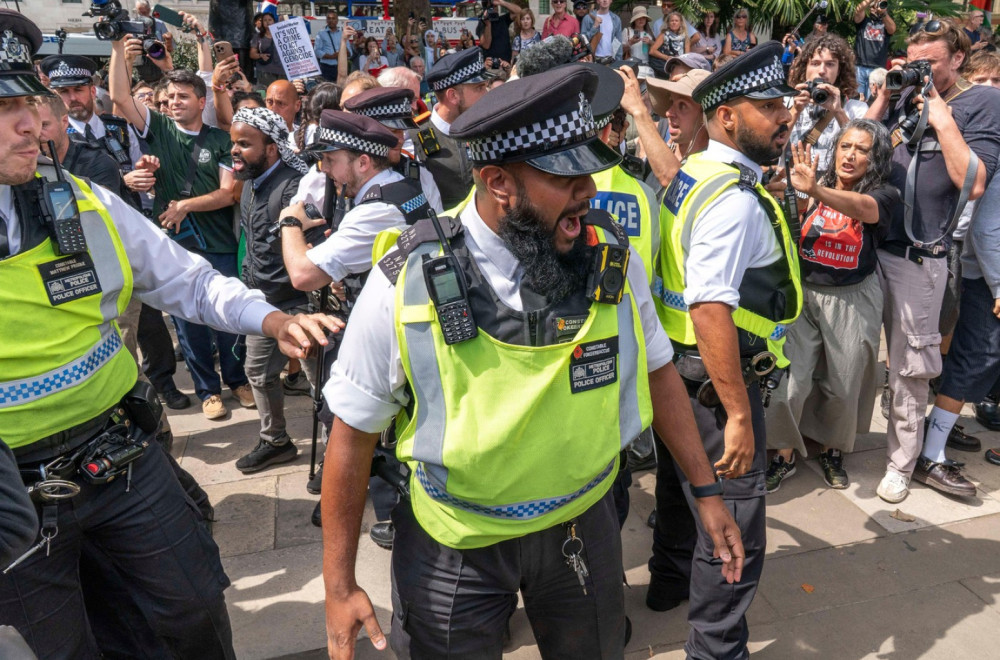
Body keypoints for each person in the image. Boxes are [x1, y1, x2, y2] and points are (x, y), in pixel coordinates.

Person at [319, 62, 744, 660]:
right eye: (566, 179)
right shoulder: (407, 280)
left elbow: (657, 370)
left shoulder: (609, 259)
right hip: (453, 545)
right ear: (498, 182)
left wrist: (706, 491)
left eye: (590, 173)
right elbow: (352, 431)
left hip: (582, 528)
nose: (589, 194)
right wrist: (339, 587)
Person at [0, 11, 339, 658]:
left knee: (188, 610)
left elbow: (188, 281)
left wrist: (271, 319)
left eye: (27, 100)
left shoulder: (78, 202)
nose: (30, 122)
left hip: (118, 458)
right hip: (14, 500)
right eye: (3, 106)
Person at [649, 42, 800, 659]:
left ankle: (665, 584)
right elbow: (709, 306)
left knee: (678, 494)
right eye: (769, 106)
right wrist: (739, 413)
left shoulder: (696, 170)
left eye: (783, 104)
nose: (785, 116)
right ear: (729, 116)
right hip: (716, 392)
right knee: (732, 530)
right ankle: (715, 649)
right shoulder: (732, 199)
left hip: (679, 381)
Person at [865, 20, 1000, 502]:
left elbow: (973, 181)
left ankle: (904, 464)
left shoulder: (983, 102)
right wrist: (884, 97)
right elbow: (859, 149)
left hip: (919, 256)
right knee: (854, 358)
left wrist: (940, 114)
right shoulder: (906, 94)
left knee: (911, 366)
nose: (922, 71)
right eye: (914, 60)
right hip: (871, 241)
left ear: (958, 59)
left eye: (932, 63)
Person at [109, 38, 256, 421]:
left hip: (220, 241)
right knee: (189, 322)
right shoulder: (157, 129)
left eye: (184, 96)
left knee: (227, 314)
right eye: (170, 96)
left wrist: (185, 204)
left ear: (201, 100)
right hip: (176, 245)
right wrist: (116, 49)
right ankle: (208, 391)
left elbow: (228, 194)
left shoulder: (223, 140)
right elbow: (121, 98)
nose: (175, 102)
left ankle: (237, 380)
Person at [764, 122, 897, 493]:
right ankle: (783, 455)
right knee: (790, 381)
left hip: (853, 297)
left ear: (876, 158)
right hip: (803, 295)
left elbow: (865, 209)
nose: (850, 155)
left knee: (844, 384)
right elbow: (775, 193)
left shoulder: (884, 194)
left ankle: (832, 451)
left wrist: (817, 190)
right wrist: (782, 183)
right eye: (845, 146)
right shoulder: (812, 179)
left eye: (862, 149)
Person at [345, 85, 444, 214]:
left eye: (402, 131)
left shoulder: (420, 175)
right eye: (392, 132)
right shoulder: (342, 174)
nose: (400, 139)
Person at [417, 48, 491, 209]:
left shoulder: (487, 129)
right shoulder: (414, 139)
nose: (486, 94)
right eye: (479, 88)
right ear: (453, 96)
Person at [786, 33, 868, 172]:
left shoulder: (856, 108)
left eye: (830, 64)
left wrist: (838, 112)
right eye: (815, 63)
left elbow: (862, 152)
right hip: (791, 185)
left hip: (830, 190)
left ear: (839, 70)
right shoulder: (786, 103)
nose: (822, 71)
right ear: (805, 67)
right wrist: (795, 111)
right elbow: (771, 152)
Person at [853, 0, 896, 100]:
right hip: (860, 67)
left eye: (876, 7)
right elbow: (858, 11)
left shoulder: (885, 23)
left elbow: (892, 29)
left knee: (873, 100)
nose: (875, 9)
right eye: (872, 7)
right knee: (856, 100)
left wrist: (883, 13)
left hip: (877, 68)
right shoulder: (863, 21)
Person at [477, 0, 522, 67]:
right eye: (490, 7)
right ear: (485, 9)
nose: (493, 9)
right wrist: (488, 24)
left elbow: (519, 12)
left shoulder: (503, 20)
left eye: (495, 6)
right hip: (490, 65)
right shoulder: (482, 24)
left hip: (505, 65)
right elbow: (486, 45)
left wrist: (501, 2)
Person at [314, 10, 351, 82]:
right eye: (329, 18)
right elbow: (317, 51)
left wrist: (343, 53)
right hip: (326, 68)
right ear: (326, 20)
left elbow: (350, 53)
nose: (331, 20)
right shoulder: (321, 33)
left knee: (341, 89)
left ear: (337, 21)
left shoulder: (342, 34)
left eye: (333, 18)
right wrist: (331, 56)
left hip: (341, 67)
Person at [251, 13, 285, 86]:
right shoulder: (257, 36)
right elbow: (252, 54)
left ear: (274, 21)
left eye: (270, 20)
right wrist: (261, 55)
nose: (267, 22)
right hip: (265, 71)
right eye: (265, 20)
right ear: (262, 23)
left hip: (282, 71)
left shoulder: (282, 35)